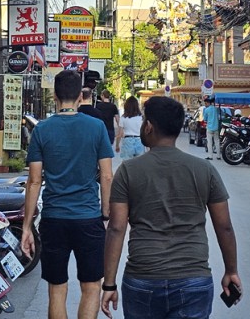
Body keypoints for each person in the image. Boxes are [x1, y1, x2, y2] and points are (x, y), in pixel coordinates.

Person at [101, 96, 242, 319]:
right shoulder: (204, 169)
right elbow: (224, 227)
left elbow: (116, 229)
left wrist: (109, 284)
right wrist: (231, 270)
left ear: (148, 127)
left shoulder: (128, 171)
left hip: (142, 279)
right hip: (194, 279)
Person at [22, 70, 114, 319]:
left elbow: (34, 181)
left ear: (54, 95)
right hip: (88, 218)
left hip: (54, 219)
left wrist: (27, 226)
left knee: (57, 289)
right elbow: (106, 176)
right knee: (92, 286)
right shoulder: (96, 127)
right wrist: (105, 214)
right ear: (80, 96)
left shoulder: (42, 130)